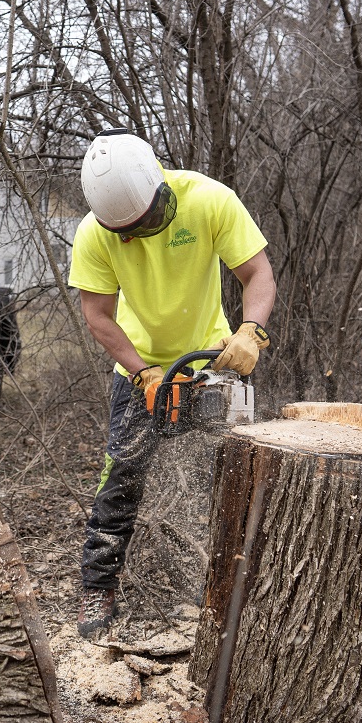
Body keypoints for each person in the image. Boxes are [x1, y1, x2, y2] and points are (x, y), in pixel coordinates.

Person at [68, 128, 276, 640]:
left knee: (233, 476)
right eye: (126, 231)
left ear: (161, 190)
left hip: (212, 364)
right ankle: (98, 586)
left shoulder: (209, 201)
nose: (136, 236)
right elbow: (97, 315)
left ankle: (243, 584)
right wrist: (142, 372)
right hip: (139, 369)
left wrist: (251, 330)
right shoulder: (95, 234)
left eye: (145, 223)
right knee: (121, 477)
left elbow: (258, 274)